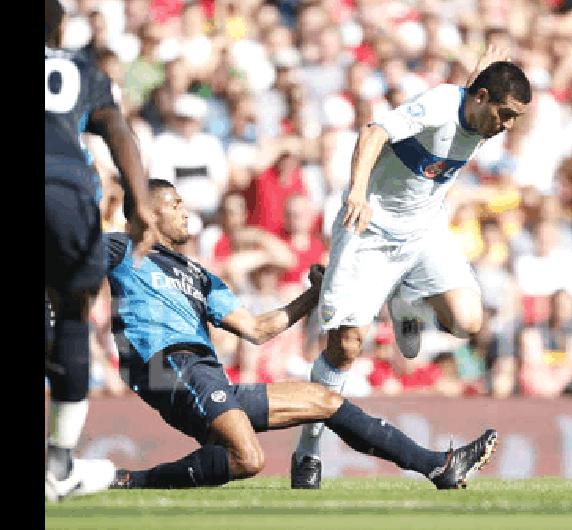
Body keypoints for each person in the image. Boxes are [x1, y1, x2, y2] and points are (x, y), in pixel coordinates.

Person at [107, 180, 497, 491]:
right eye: (174, 204)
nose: (184, 211)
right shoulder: (123, 248)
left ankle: (437, 467)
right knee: (248, 458)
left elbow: (258, 329)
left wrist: (314, 294)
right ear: (147, 211)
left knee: (323, 399)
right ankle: (133, 481)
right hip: (168, 365)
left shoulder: (199, 276)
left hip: (206, 375)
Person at [291, 46, 530, 489]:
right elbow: (373, 133)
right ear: (480, 98)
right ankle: (308, 450)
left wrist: (483, 71)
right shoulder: (441, 105)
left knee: (466, 320)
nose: (508, 126)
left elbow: (471, 103)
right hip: (369, 228)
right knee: (344, 348)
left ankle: (402, 299)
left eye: (514, 117)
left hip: (422, 233)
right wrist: (357, 192)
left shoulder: (481, 119)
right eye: (505, 114)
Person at [45, 0, 154, 501]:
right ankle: (59, 461)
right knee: (74, 311)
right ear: (60, 26)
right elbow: (115, 127)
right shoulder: (79, 69)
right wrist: (140, 202)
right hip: (67, 193)